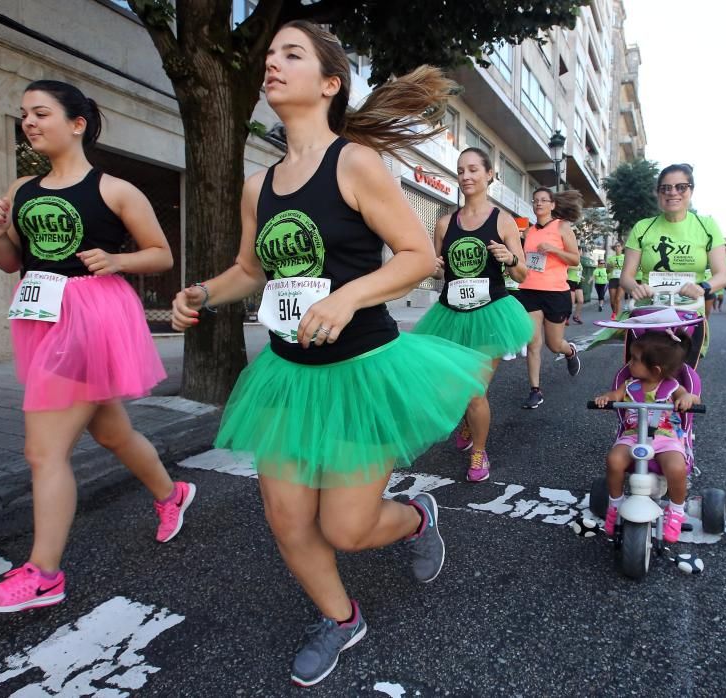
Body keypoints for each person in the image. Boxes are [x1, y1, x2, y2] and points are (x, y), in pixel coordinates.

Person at [170, 22, 489, 686]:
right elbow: (250, 269)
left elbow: (418, 257)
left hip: (361, 372)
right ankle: (342, 618)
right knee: (287, 520)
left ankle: (416, 517)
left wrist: (349, 298)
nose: (272, 64)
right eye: (271, 55)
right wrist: (204, 290)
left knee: (346, 528)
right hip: (288, 374)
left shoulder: (355, 163)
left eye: (292, 55)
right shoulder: (261, 186)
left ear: (329, 83)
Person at [0, 81, 194, 613]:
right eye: (24, 113)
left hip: (91, 318)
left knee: (43, 450)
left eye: (41, 113)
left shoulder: (115, 190)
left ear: (76, 124)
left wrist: (118, 261)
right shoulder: (23, 187)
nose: (28, 121)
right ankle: (172, 494)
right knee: (112, 431)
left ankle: (44, 573)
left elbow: (161, 254)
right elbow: (11, 262)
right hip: (42, 315)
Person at [412, 147, 533, 481]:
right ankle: (467, 419)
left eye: (473, 170)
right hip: (450, 314)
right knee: (455, 387)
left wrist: (509, 258)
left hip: (490, 314)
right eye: (461, 171)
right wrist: (433, 266)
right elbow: (438, 271)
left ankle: (479, 452)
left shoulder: (503, 221)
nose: (466, 177)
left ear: (490, 175)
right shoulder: (444, 222)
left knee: (474, 390)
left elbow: (522, 274)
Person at [592, 331, 701, 544]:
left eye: (634, 360)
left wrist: (688, 398)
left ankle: (676, 510)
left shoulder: (671, 386)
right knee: (614, 460)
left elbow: (692, 397)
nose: (629, 364)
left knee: (677, 467)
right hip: (633, 435)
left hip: (665, 437)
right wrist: (607, 398)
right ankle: (615, 504)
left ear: (655, 369)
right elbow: (615, 395)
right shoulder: (630, 385)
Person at [620, 163, 726, 345]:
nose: (673, 192)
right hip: (649, 311)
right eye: (666, 188)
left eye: (681, 187)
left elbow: (722, 275)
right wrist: (636, 288)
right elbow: (626, 277)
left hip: (689, 312)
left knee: (681, 371)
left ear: (691, 190)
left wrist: (703, 287)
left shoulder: (707, 226)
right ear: (658, 193)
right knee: (643, 370)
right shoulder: (642, 227)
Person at [517, 188, 584, 409]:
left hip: (555, 292)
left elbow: (575, 259)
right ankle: (535, 390)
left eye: (544, 200)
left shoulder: (562, 227)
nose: (539, 204)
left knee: (554, 345)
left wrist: (554, 249)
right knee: (533, 343)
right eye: (535, 200)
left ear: (553, 205)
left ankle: (570, 351)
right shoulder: (528, 232)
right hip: (529, 290)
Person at [606, 241, 625, 320]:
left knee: (618, 299)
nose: (617, 248)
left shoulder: (625, 257)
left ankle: (617, 317)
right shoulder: (610, 258)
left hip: (622, 279)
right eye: (616, 246)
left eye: (619, 246)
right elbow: (607, 271)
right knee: (612, 300)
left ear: (622, 247)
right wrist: (610, 267)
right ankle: (614, 312)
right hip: (613, 279)